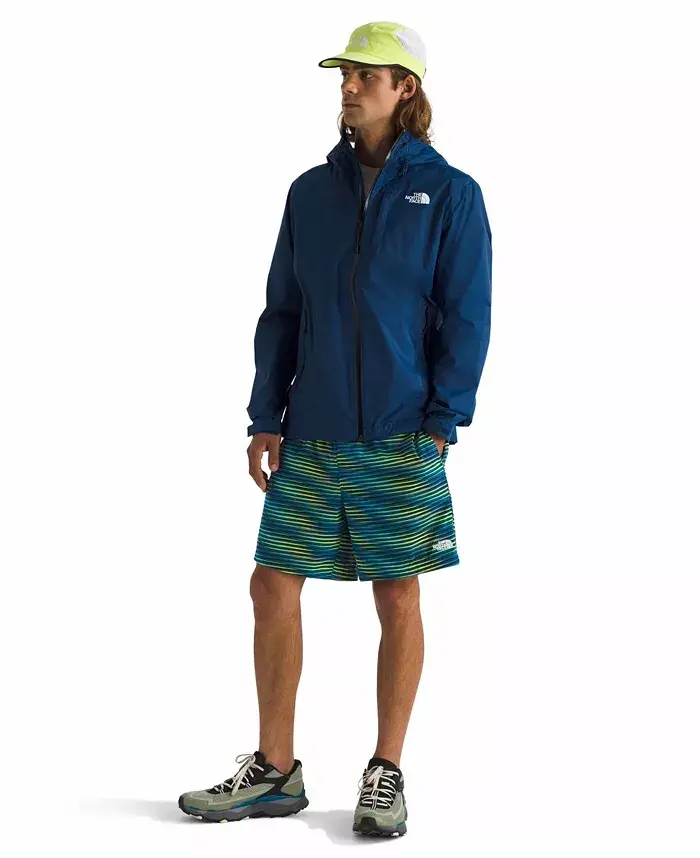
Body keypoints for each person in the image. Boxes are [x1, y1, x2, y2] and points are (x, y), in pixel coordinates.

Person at [178, 21, 492, 837]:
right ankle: (275, 770)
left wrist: (441, 422)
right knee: (271, 583)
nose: (349, 87)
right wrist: (265, 414)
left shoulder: (451, 194)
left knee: (398, 592)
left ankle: (385, 770)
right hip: (312, 428)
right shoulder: (309, 193)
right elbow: (283, 309)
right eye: (344, 74)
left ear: (405, 88)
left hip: (402, 431)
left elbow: (467, 315)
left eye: (366, 76)